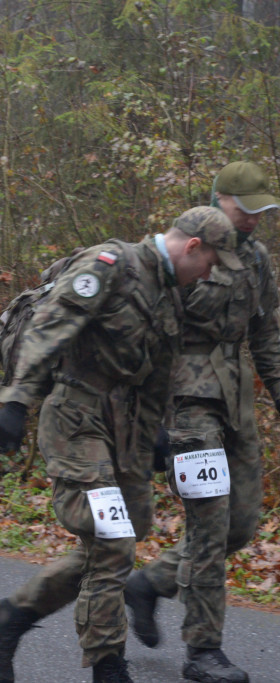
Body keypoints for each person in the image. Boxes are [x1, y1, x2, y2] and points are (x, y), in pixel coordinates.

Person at [0, 207, 242, 683]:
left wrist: (159, 433)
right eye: (210, 263)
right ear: (193, 247)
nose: (210, 274)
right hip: (77, 418)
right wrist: (17, 400)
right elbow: (50, 326)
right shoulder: (111, 265)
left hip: (128, 428)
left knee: (125, 534)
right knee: (112, 542)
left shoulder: (171, 293)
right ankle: (108, 665)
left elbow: (158, 372)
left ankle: (10, 617)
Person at [124, 163, 280, 683]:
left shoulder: (257, 260)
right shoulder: (185, 250)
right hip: (186, 403)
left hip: (235, 404)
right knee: (209, 527)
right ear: (220, 199)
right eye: (246, 208)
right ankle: (203, 652)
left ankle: (150, 584)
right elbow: (145, 333)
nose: (255, 219)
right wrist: (153, 418)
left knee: (240, 524)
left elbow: (267, 337)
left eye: (263, 210)